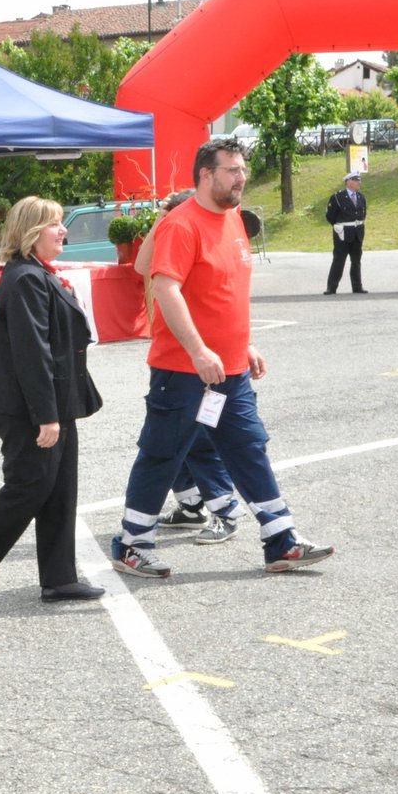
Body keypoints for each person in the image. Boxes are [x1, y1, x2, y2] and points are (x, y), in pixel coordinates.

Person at [112, 137, 334, 577]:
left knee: (249, 449)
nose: (241, 177)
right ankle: (131, 544)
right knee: (163, 455)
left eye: (242, 169)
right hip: (182, 372)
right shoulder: (181, 224)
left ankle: (281, 541)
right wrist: (197, 350)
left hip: (230, 371)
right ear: (206, 175)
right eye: (232, 170)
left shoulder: (233, 219)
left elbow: (226, 292)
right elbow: (164, 287)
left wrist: (243, 344)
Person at [0, 196, 105, 609]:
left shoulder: (38, 273)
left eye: (62, 222)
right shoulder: (26, 278)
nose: (62, 230)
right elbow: (32, 355)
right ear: (30, 233)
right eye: (53, 224)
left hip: (54, 400)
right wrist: (46, 417)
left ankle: (59, 579)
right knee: (29, 487)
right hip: (27, 405)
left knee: (60, 488)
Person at [135, 189, 245, 545]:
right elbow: (141, 266)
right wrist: (164, 217)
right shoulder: (176, 231)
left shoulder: (205, 231)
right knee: (172, 440)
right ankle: (191, 502)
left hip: (199, 359)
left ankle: (224, 508)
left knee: (198, 438)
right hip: (175, 356)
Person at [324, 171, 368, 294]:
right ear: (348, 182)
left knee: (356, 261)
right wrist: (338, 226)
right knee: (339, 260)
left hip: (357, 233)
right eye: (356, 180)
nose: (359, 182)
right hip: (342, 234)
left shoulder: (361, 197)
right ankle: (331, 287)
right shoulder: (337, 198)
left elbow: (363, 214)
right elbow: (330, 216)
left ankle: (357, 286)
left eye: (359, 180)